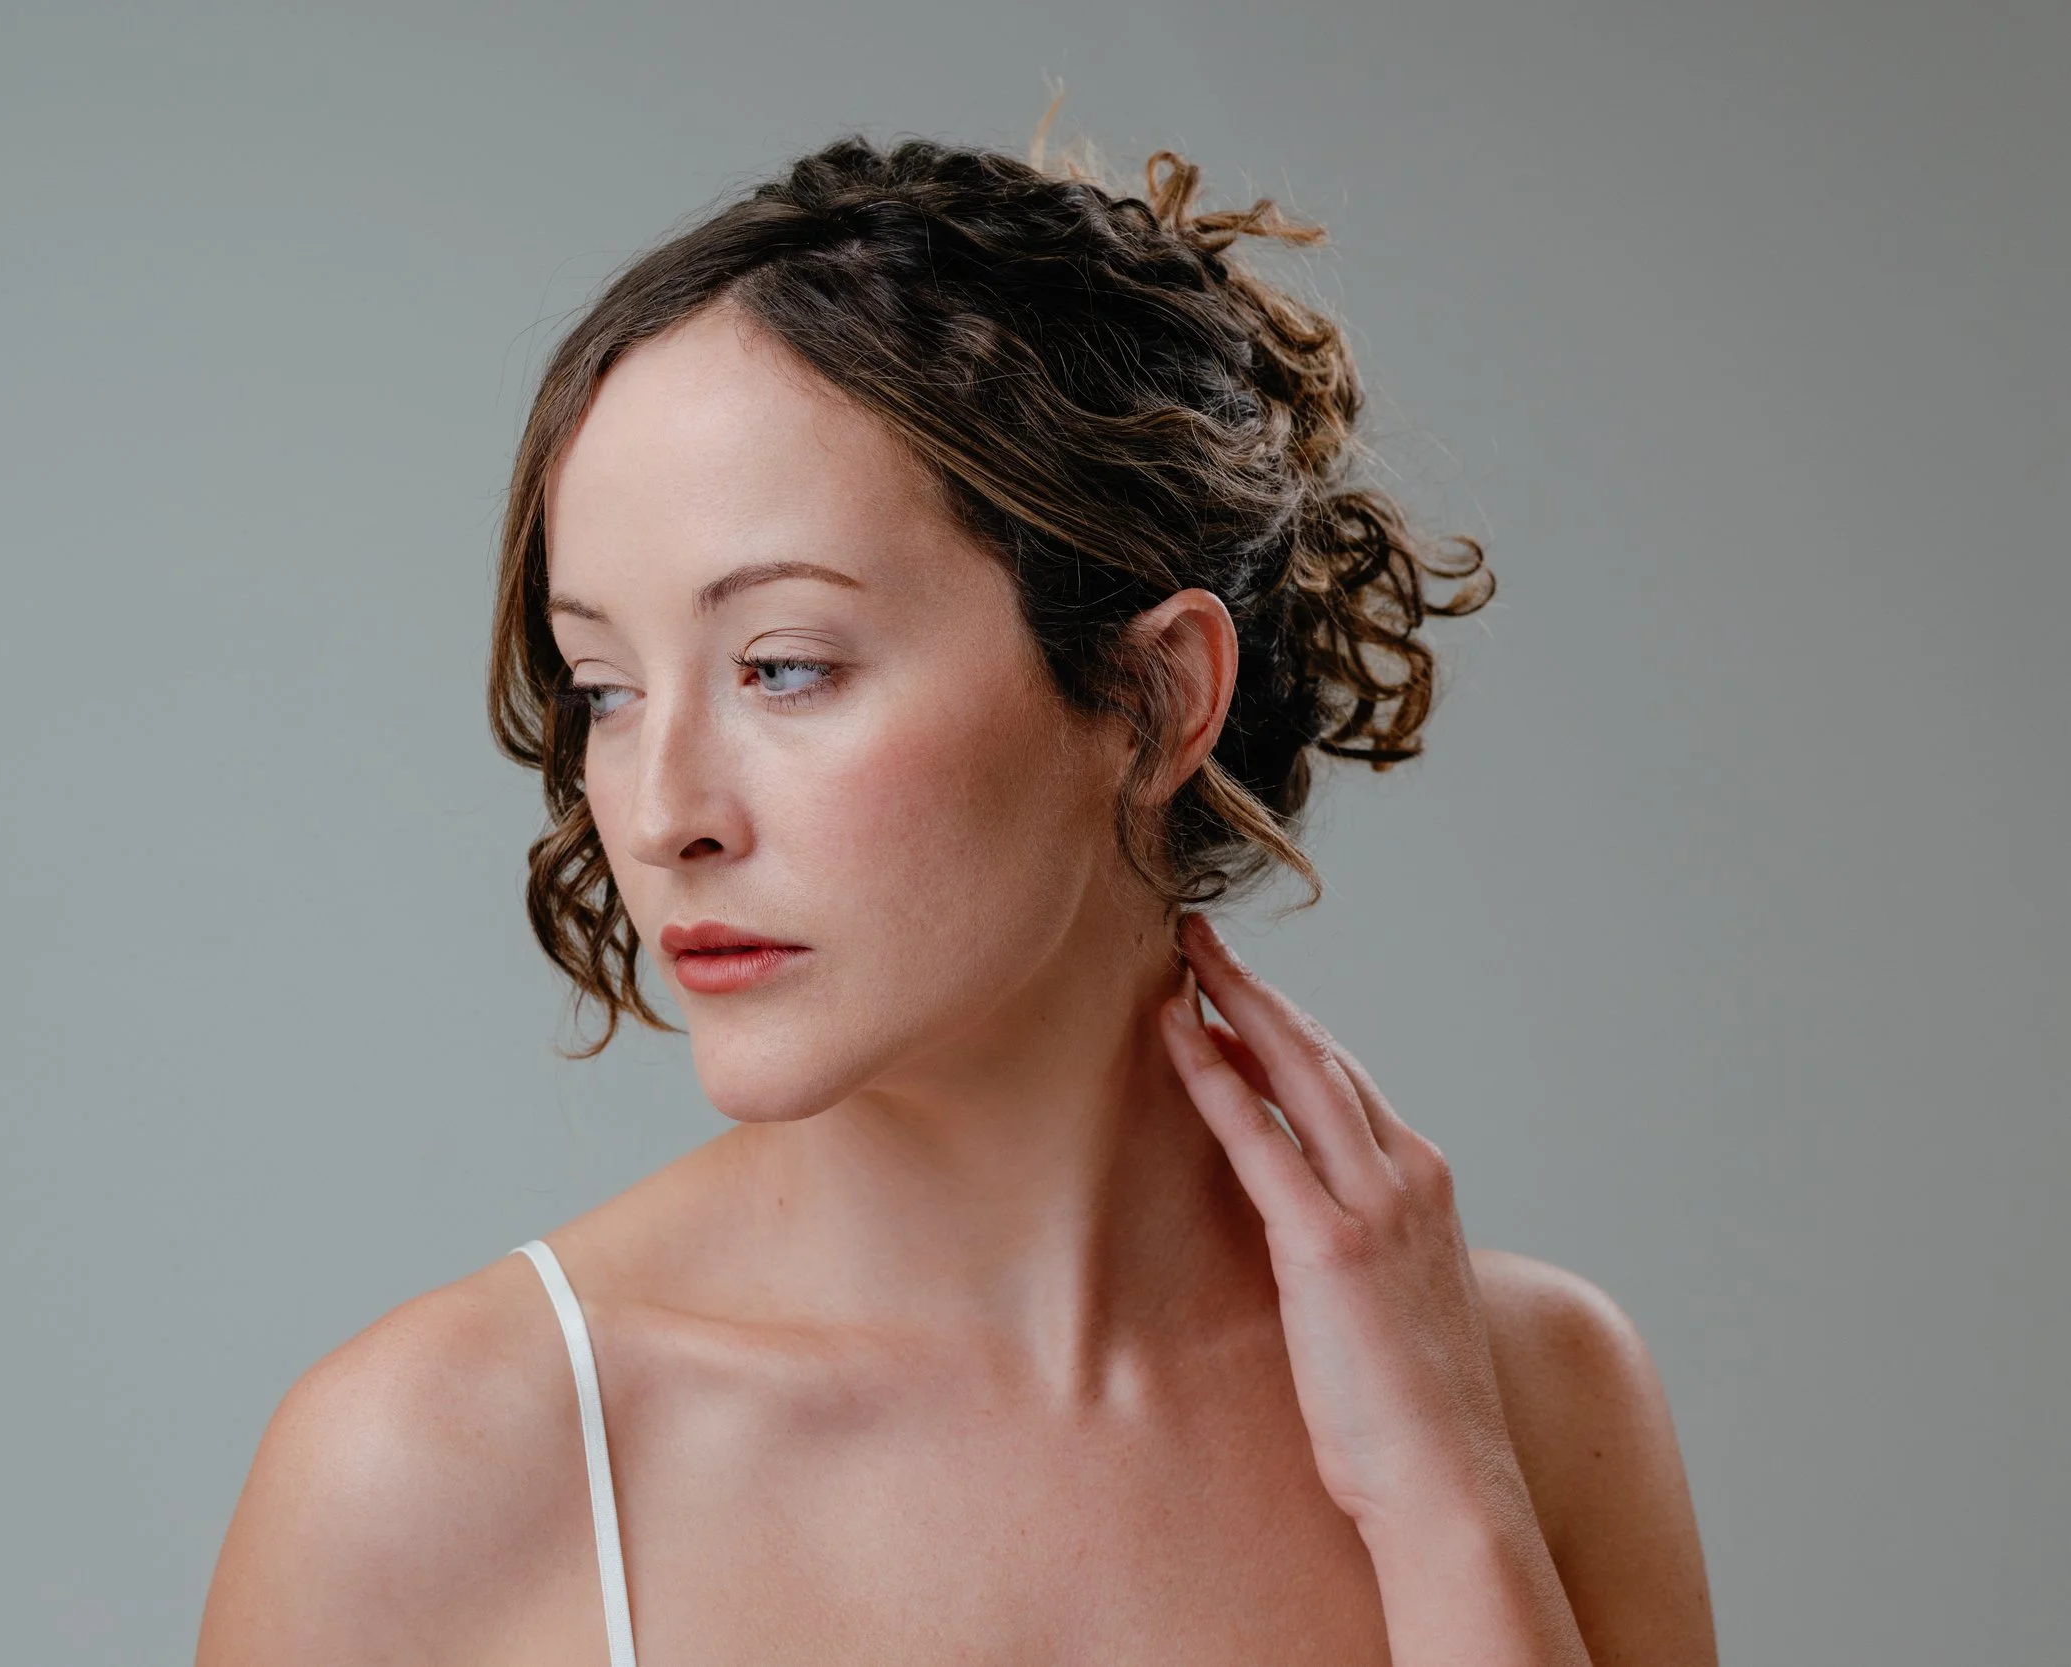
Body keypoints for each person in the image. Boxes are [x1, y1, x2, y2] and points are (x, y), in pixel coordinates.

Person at [196, 129, 1717, 1666]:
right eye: (603, 687)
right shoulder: (430, 1471)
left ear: (1150, 694)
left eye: (784, 667)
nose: (661, 817)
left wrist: (1442, 1507)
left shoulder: (1533, 1397)